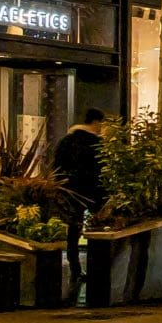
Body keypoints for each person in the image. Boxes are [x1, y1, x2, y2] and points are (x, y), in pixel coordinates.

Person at [50, 108, 106, 295]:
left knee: (73, 228)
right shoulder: (96, 143)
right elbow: (100, 170)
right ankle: (95, 266)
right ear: (96, 122)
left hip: (68, 190)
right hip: (89, 191)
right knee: (97, 226)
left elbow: (56, 164)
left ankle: (75, 265)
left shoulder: (67, 140)